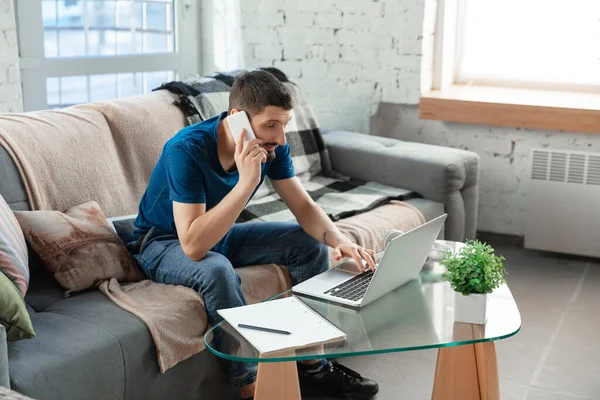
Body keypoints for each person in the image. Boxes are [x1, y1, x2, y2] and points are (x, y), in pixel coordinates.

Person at [128, 70, 379, 399]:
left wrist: (340, 240)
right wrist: (247, 181)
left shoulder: (272, 146)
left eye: (284, 124)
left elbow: (303, 207)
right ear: (237, 120)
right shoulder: (186, 150)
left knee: (309, 245)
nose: (281, 137)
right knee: (217, 269)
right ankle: (252, 387)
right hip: (161, 242)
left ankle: (313, 365)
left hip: (220, 233)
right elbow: (192, 246)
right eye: (271, 125)